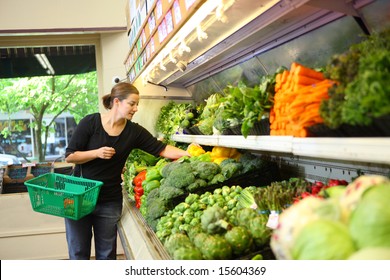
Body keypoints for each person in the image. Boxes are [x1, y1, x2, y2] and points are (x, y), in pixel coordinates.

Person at [65, 82, 191, 260]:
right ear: (117, 102)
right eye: (132, 104)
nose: (136, 108)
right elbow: (70, 156)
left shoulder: (134, 132)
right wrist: (97, 153)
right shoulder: (90, 122)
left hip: (109, 200)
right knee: (78, 253)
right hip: (78, 196)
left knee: (107, 255)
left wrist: (189, 154)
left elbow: (160, 148)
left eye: (137, 104)